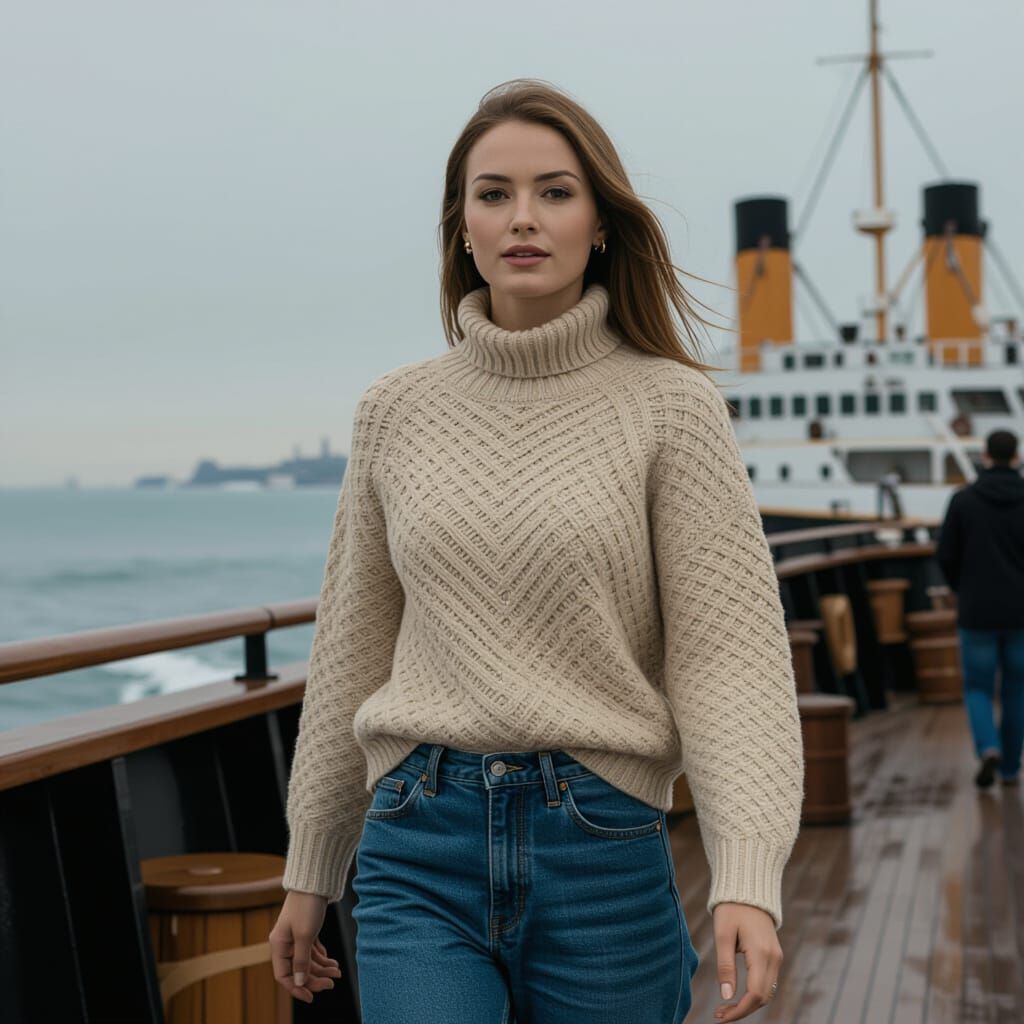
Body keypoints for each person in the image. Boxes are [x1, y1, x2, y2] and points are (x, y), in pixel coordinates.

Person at [269, 78, 804, 1024]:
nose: (523, 217)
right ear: (462, 228)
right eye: (494, 193)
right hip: (417, 841)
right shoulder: (395, 409)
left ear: (599, 225)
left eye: (555, 192)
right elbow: (352, 646)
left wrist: (747, 877)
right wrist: (311, 867)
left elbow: (729, 661)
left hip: (600, 845)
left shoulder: (671, 407)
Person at [936, 429, 1024, 788]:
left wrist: (962, 588)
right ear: (1017, 457)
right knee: (1017, 690)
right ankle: (1010, 769)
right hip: (1021, 614)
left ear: (985, 456)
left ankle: (988, 746)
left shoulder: (963, 500)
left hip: (976, 611)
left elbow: (946, 554)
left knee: (977, 687)